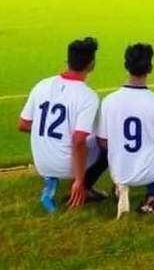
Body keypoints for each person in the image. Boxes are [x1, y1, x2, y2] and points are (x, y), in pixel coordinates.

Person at [18, 37, 109, 213]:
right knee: (106, 142)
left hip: (42, 164)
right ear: (92, 64)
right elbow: (79, 141)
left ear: (67, 61)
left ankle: (51, 180)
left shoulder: (42, 85)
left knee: (78, 136)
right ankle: (85, 188)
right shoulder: (88, 96)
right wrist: (79, 181)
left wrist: (52, 136)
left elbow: (23, 124)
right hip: (67, 165)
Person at [97, 43, 154, 217]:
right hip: (149, 172)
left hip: (118, 171)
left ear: (126, 66)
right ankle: (152, 197)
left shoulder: (108, 101)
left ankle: (120, 186)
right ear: (150, 68)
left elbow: (102, 142)